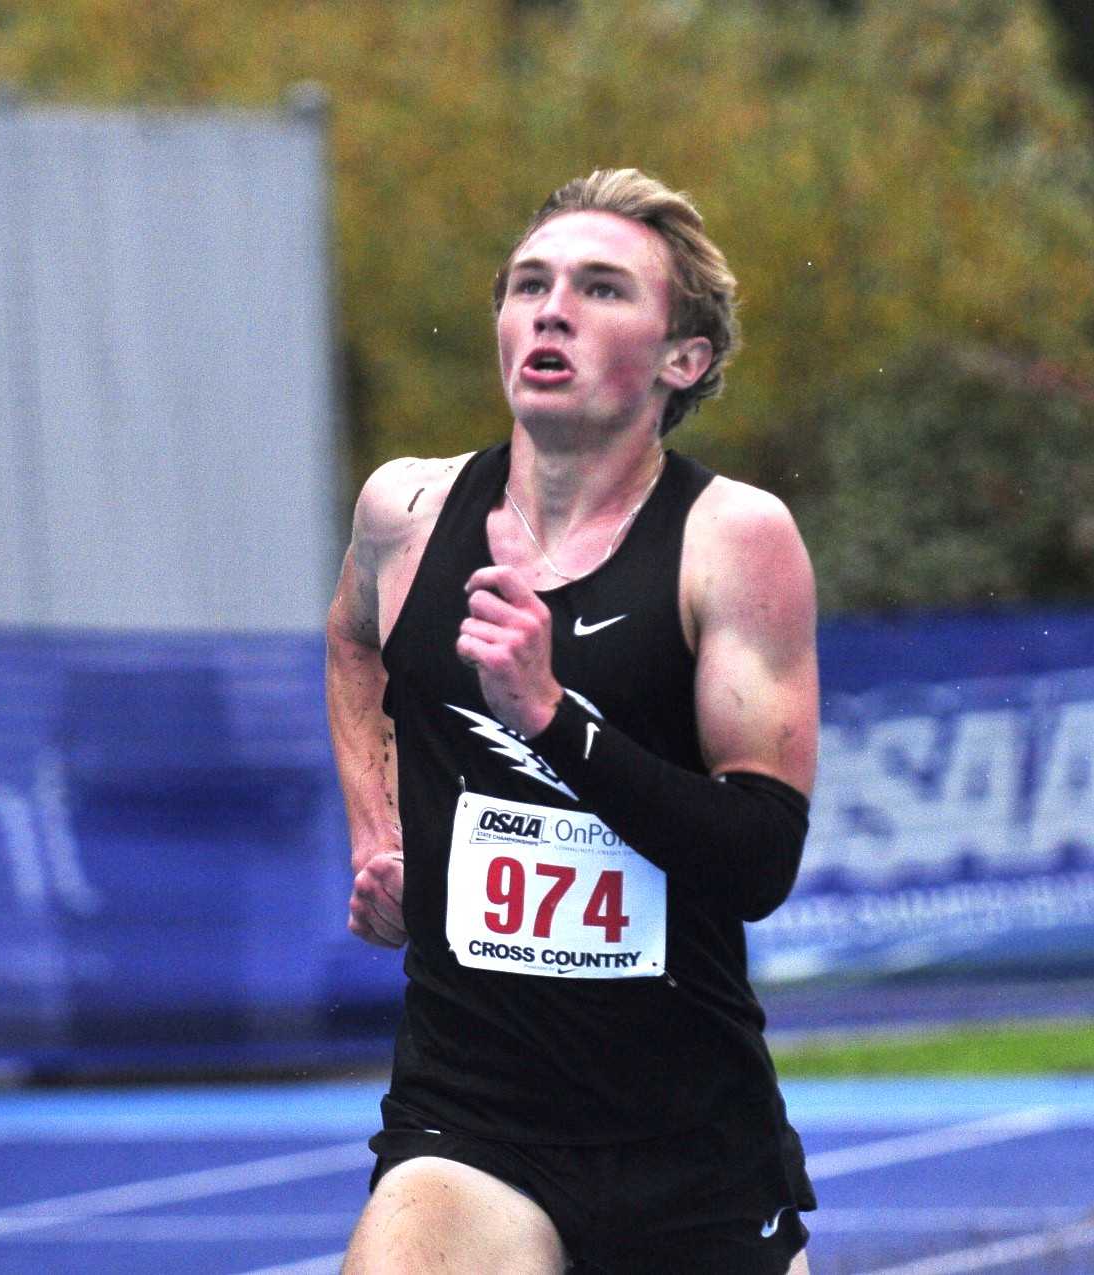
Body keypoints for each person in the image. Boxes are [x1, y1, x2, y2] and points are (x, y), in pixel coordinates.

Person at [325, 168, 819, 1275]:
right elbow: (353, 639)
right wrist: (376, 827)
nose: (552, 310)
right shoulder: (405, 514)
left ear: (681, 359)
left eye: (602, 289)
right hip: (471, 1119)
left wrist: (550, 721)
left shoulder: (732, 541)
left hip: (686, 1138)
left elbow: (757, 861)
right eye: (528, 285)